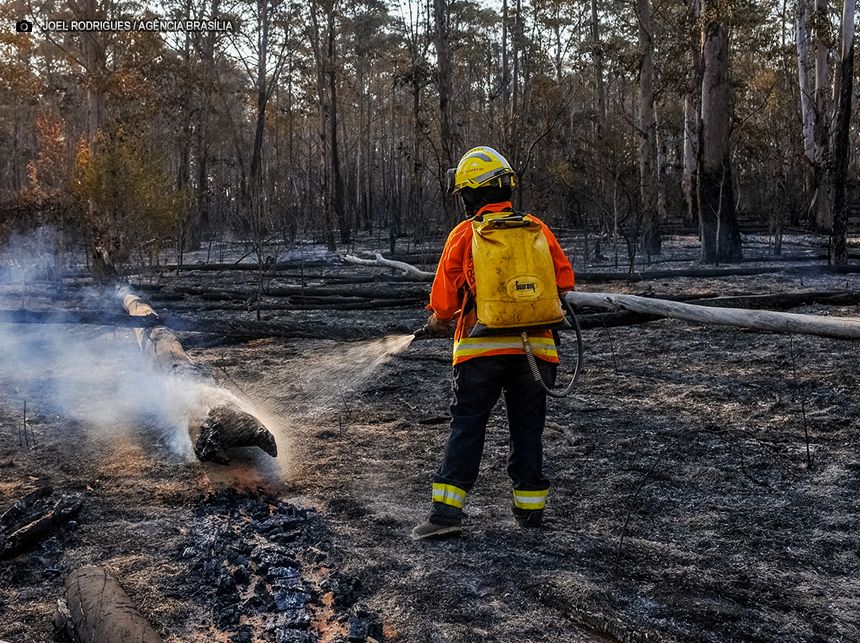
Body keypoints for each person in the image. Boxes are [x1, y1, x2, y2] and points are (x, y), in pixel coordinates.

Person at [412, 146, 575, 540]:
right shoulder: (537, 228)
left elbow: (444, 304)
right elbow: (565, 282)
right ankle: (530, 513)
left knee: (468, 425)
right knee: (527, 428)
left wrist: (436, 321)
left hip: (479, 352)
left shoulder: (464, 235)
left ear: (472, 195)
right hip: (537, 351)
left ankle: (446, 515)